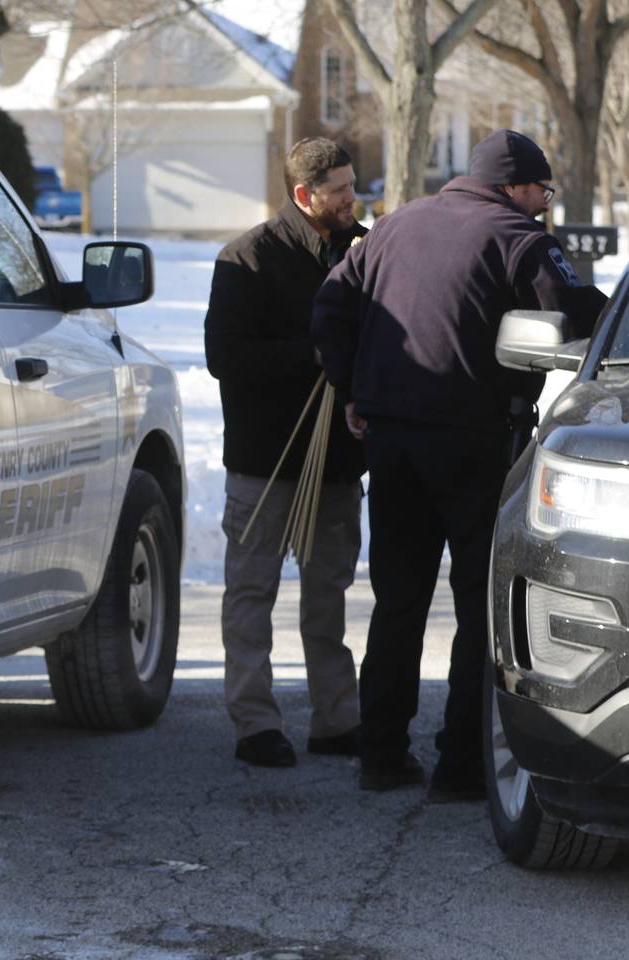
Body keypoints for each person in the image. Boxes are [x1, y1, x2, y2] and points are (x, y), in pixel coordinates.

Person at [311, 129, 607, 798]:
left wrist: (353, 385)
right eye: (540, 190)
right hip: (474, 441)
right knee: (480, 602)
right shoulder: (520, 238)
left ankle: (381, 755)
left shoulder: (392, 226)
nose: (543, 203)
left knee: (398, 598)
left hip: (391, 440)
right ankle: (461, 764)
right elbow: (581, 316)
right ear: (513, 187)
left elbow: (330, 306)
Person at [205, 138, 367, 768]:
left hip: (337, 463)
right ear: (305, 196)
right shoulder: (247, 256)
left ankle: (336, 720)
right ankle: (255, 724)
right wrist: (314, 355)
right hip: (264, 460)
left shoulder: (363, 250)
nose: (353, 199)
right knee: (251, 593)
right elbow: (226, 357)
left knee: (329, 596)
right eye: (340, 191)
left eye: (354, 186)